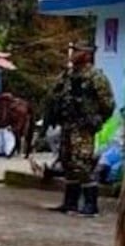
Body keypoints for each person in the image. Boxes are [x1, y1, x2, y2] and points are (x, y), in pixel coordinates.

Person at [44, 41, 115, 216]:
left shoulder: (95, 76)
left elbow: (108, 104)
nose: (73, 54)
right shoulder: (68, 75)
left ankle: (91, 205)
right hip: (68, 125)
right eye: (73, 50)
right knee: (67, 162)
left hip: (84, 127)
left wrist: (96, 121)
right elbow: (55, 96)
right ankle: (70, 203)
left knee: (82, 163)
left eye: (77, 51)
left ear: (87, 54)